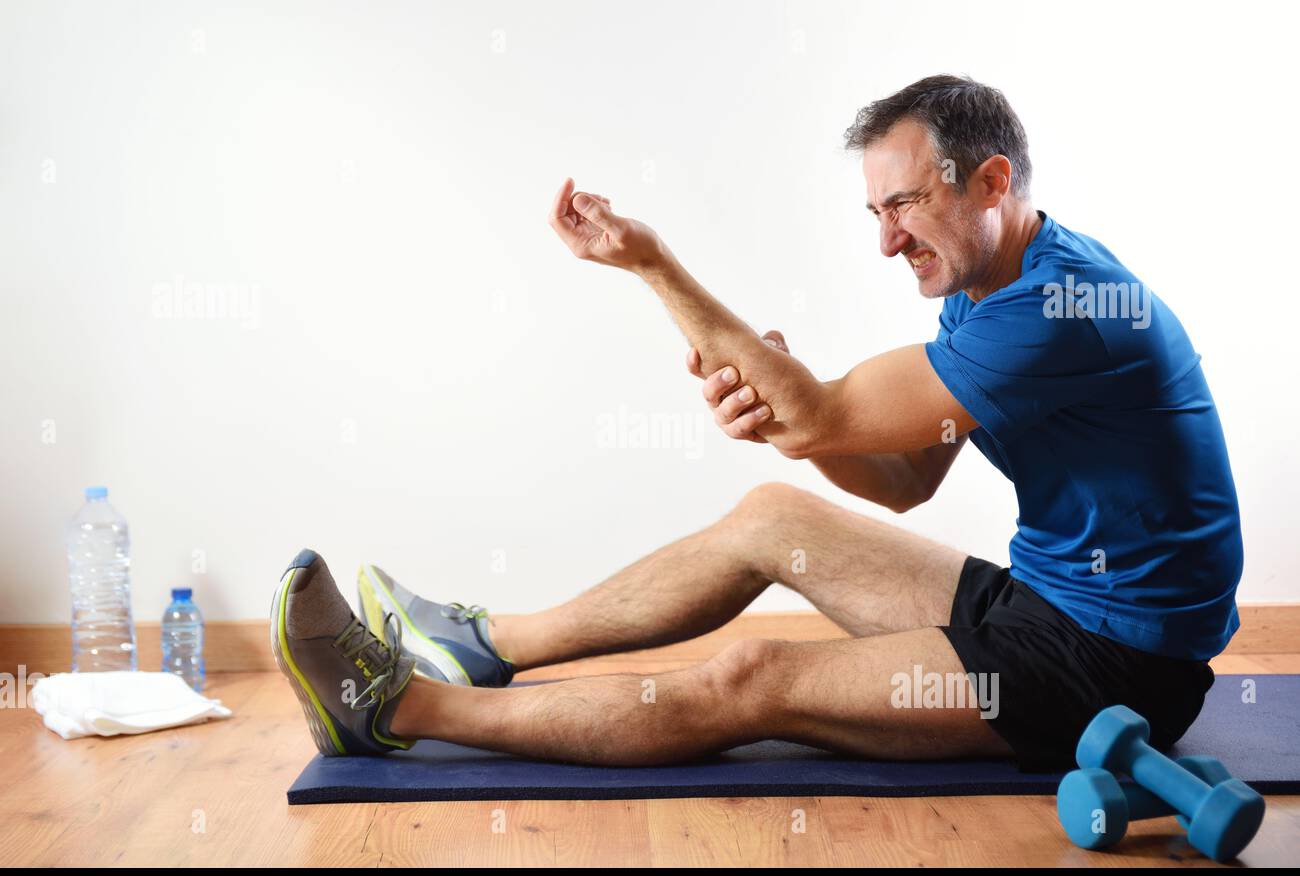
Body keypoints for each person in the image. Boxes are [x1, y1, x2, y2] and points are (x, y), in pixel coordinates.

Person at [270, 75, 1241, 771]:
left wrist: (656, 267)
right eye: (874, 209)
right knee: (769, 514)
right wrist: (793, 430)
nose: (886, 239)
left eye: (902, 202)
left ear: (990, 182)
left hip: (1107, 668)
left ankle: (393, 707)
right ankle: (486, 645)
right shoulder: (988, 289)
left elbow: (825, 413)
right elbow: (905, 476)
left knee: (747, 677)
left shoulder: (1058, 310)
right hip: (1044, 605)